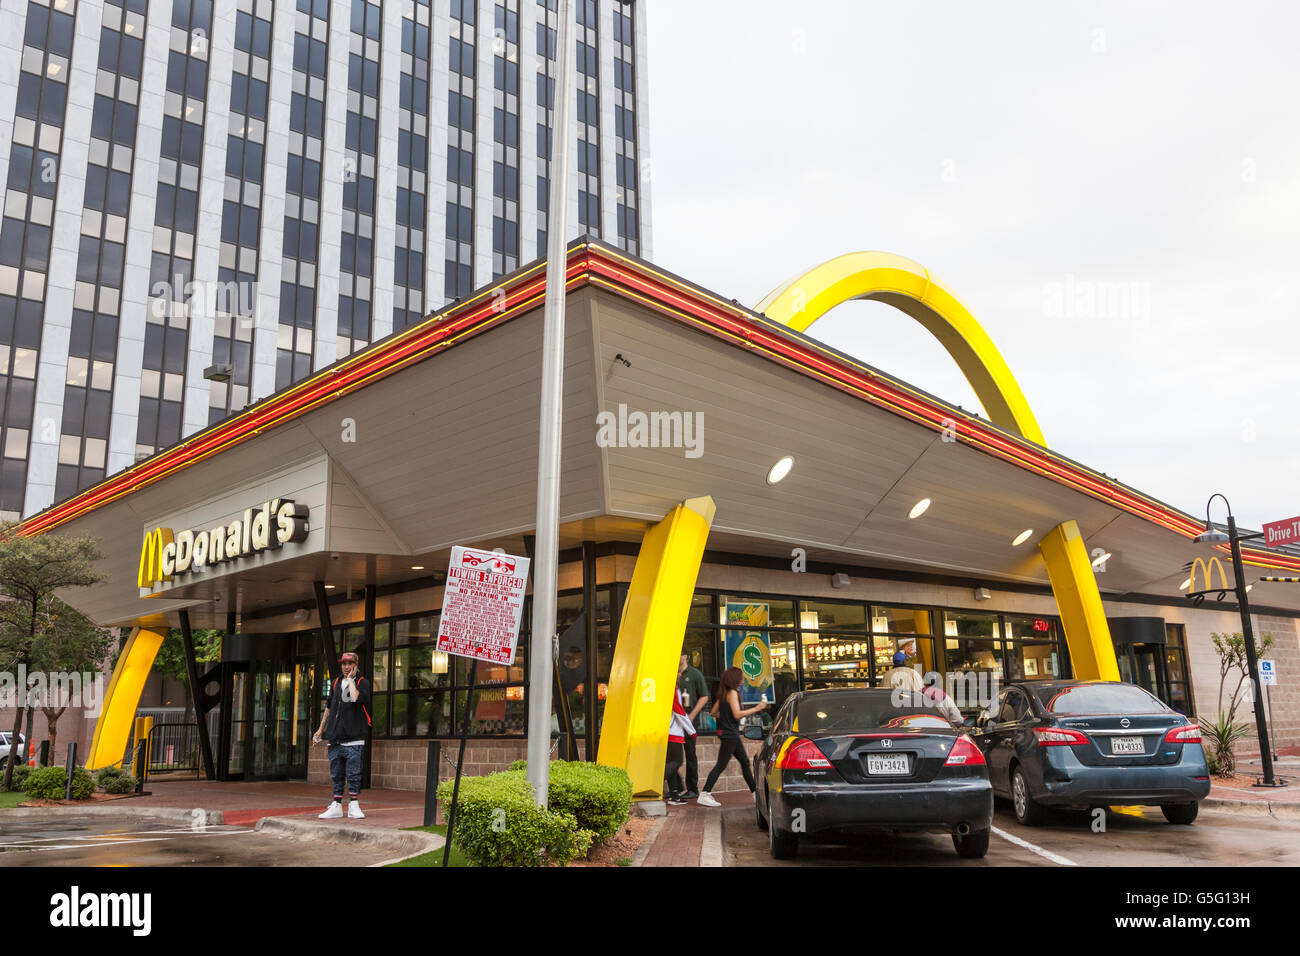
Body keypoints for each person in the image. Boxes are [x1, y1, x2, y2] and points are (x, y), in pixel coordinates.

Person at [696, 667, 768, 807]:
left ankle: (755, 794)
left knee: (745, 763)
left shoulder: (723, 694)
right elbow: (737, 714)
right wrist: (757, 708)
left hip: (728, 733)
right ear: (734, 679)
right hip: (731, 734)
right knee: (722, 764)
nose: (741, 682)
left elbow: (713, 712)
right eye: (740, 679)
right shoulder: (732, 693)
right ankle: (705, 793)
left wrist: (724, 718)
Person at [313, 652, 372, 819]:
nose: (346, 667)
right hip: (335, 736)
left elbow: (355, 698)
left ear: (356, 664)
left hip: (354, 737)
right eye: (344, 664)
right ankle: (336, 805)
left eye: (349, 663)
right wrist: (321, 729)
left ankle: (354, 804)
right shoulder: (336, 682)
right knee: (336, 774)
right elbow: (329, 707)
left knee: (353, 773)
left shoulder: (362, 682)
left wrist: (352, 680)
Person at [675, 652, 709, 798]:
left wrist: (692, 715)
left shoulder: (695, 674)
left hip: (689, 717)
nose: (677, 658)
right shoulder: (671, 673)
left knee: (690, 753)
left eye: (680, 654)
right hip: (673, 718)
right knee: (672, 754)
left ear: (685, 656)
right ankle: (675, 787)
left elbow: (704, 696)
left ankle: (692, 789)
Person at [664, 676, 696, 806]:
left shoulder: (664, 688)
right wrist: (691, 730)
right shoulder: (673, 689)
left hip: (667, 731)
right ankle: (657, 780)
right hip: (673, 732)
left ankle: (674, 796)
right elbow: (678, 711)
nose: (680, 675)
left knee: (672, 762)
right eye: (677, 672)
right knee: (677, 762)